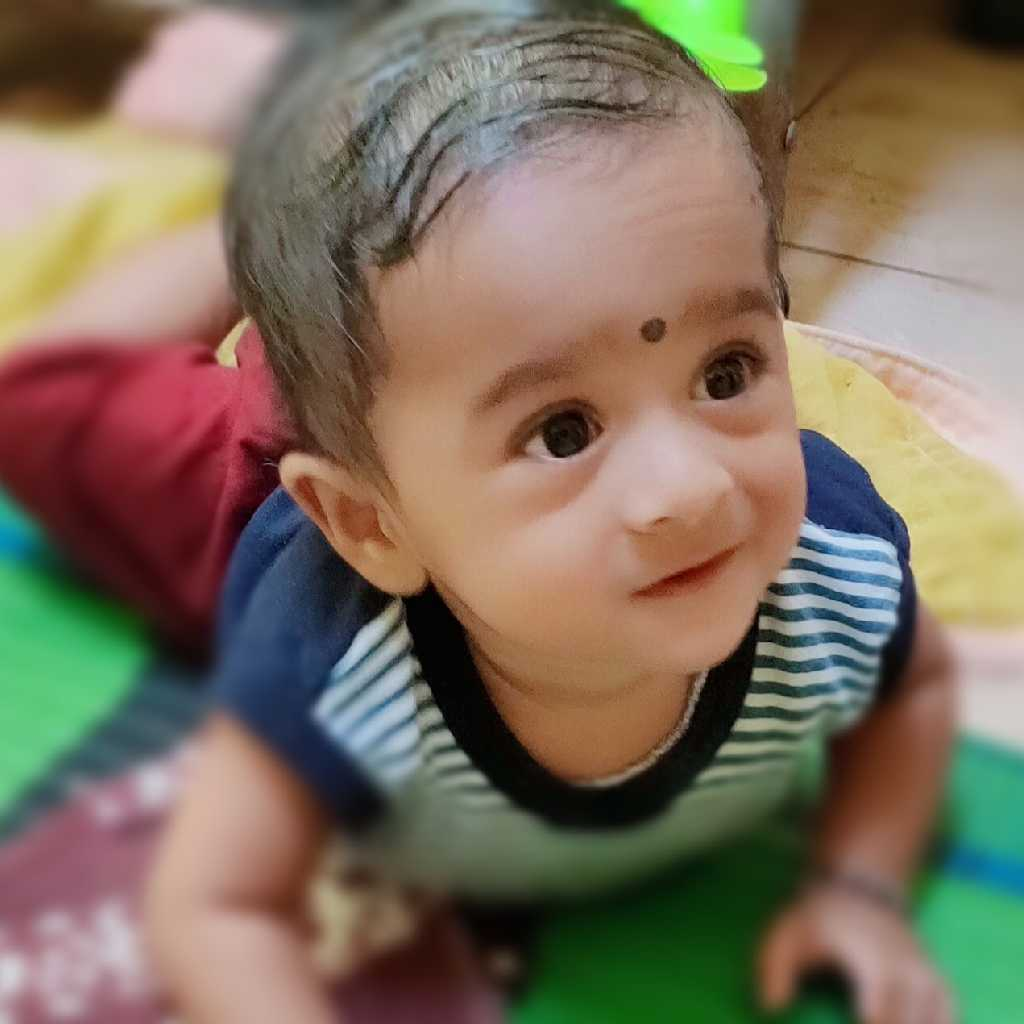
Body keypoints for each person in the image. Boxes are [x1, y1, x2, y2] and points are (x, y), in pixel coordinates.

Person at [0, 2, 956, 1022]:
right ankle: (264, 218)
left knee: (422, 326)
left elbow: (916, 689)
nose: (692, 486)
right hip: (254, 498)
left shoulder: (834, 566)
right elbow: (216, 906)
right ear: (369, 525)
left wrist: (859, 885)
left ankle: (331, 235)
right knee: (35, 399)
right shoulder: (326, 659)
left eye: (725, 371)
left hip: (431, 382)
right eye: (564, 432)